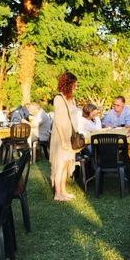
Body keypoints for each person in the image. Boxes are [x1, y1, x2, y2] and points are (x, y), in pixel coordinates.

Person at [50, 71, 81, 201]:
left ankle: (63, 191)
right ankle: (58, 194)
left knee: (67, 164)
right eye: (75, 84)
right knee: (61, 165)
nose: (76, 87)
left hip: (71, 136)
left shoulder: (71, 99)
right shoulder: (59, 98)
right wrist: (63, 140)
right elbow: (58, 121)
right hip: (61, 136)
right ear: (69, 84)